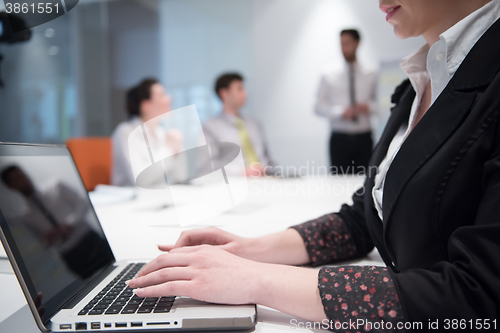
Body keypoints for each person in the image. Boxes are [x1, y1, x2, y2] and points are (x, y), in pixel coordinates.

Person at [125, 0, 500, 331]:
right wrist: (248, 250)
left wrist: (257, 279)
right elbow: (363, 219)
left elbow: (480, 298)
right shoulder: (422, 81)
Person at [315, 29, 378, 175]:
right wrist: (341, 112)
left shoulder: (372, 72)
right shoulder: (328, 73)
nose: (344, 48)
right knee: (339, 183)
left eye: (347, 43)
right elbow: (318, 106)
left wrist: (369, 108)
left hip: (364, 137)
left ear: (357, 44)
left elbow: (382, 104)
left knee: (366, 181)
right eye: (341, 44)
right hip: (339, 139)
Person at [112, 78, 187, 187]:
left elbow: (180, 177)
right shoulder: (125, 132)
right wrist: (169, 149)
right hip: (132, 199)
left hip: (159, 196)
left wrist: (178, 150)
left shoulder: (162, 133)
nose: (169, 98)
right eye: (162, 95)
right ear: (145, 106)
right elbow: (140, 180)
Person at [201, 73, 276, 177]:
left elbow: (268, 158)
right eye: (240, 89)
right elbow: (208, 166)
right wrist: (241, 172)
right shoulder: (210, 127)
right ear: (224, 93)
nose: (245, 93)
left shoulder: (254, 123)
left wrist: (269, 170)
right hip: (236, 184)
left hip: (265, 180)